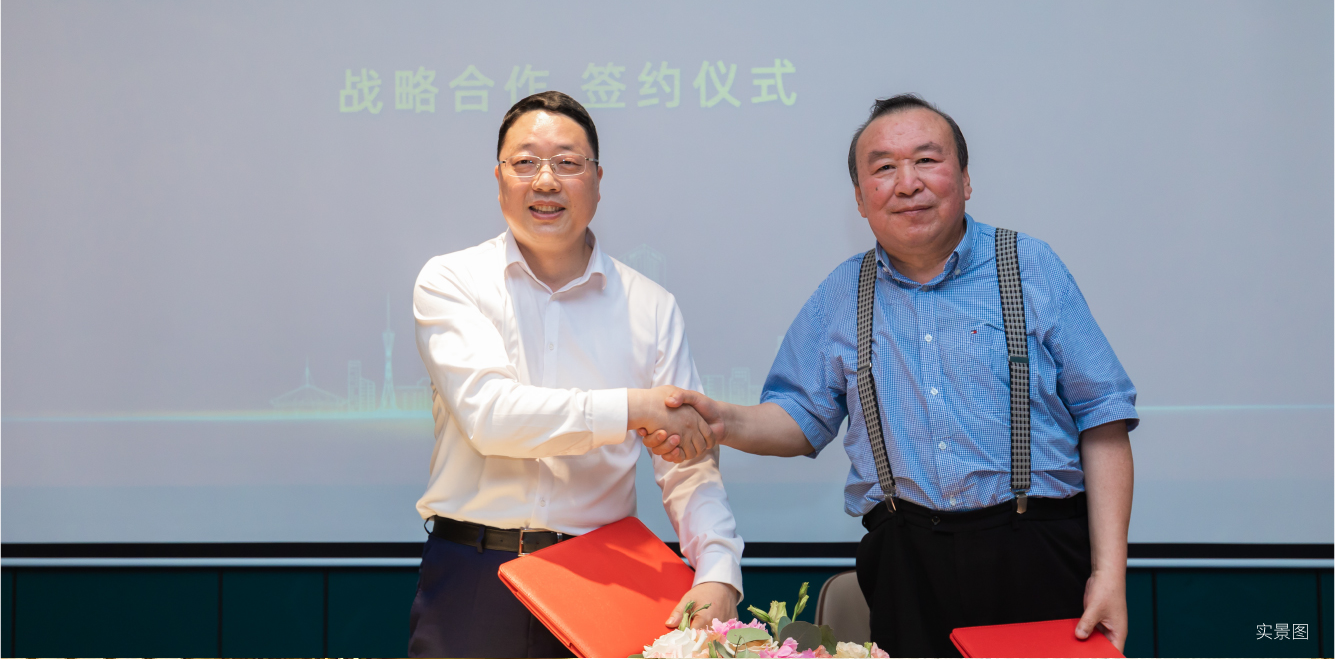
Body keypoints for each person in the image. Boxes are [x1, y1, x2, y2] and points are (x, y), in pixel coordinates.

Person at [645, 94, 1137, 657]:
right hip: (907, 561)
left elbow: (1103, 419)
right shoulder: (842, 293)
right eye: (883, 168)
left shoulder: (1030, 265)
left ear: (965, 178)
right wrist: (722, 421)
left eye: (927, 160)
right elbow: (800, 419)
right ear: (860, 199)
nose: (907, 184)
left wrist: (1110, 575)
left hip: (1040, 550)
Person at [408, 90, 742, 658]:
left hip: (603, 581)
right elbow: (491, 417)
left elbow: (686, 460)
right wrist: (635, 408)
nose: (545, 181)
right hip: (471, 577)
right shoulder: (451, 281)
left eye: (567, 162)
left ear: (597, 179)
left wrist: (717, 568)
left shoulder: (651, 306)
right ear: (498, 178)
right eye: (525, 162)